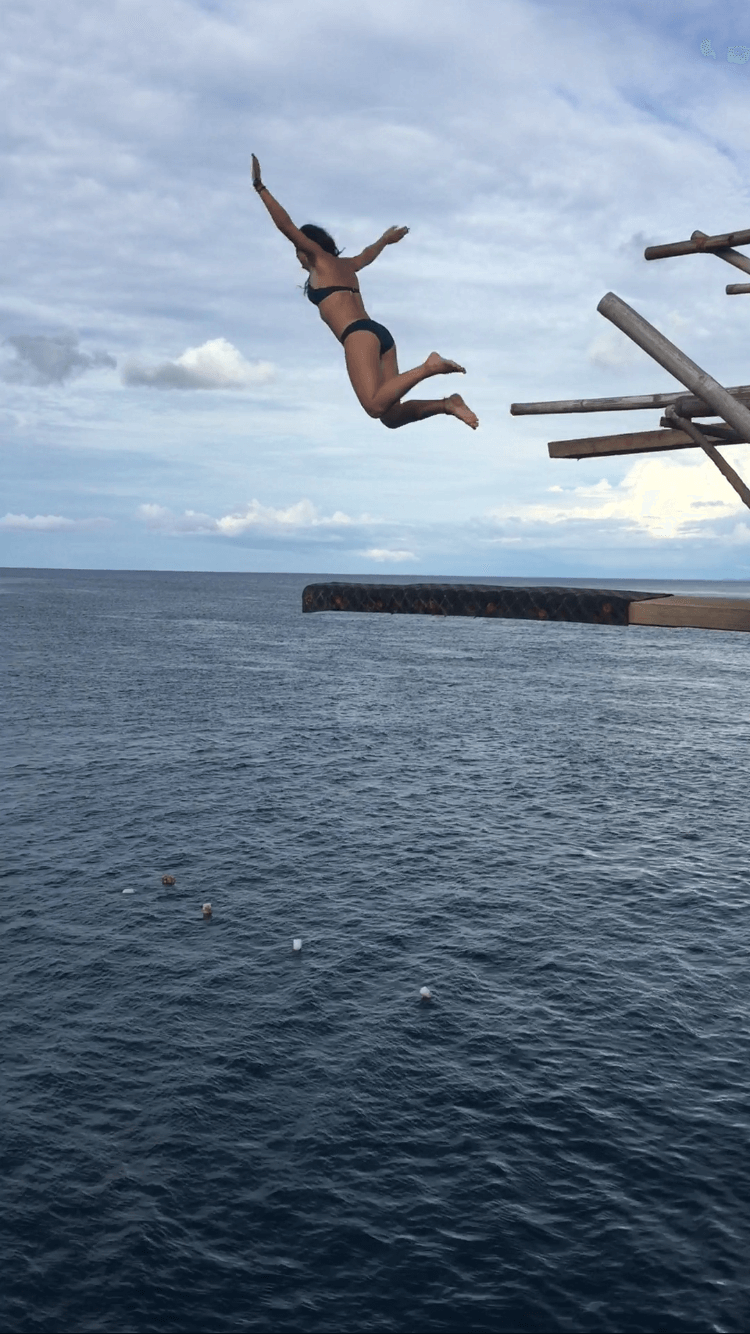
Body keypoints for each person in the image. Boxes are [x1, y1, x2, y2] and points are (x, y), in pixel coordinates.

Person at [251, 155, 478, 430]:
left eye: (298, 249)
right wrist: (385, 240)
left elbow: (286, 226)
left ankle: (429, 367)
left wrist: (260, 188)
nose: (297, 256)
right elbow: (367, 255)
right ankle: (447, 404)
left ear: (307, 246)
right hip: (380, 335)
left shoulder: (319, 260)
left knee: (373, 406)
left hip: (357, 336)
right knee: (391, 417)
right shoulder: (347, 265)